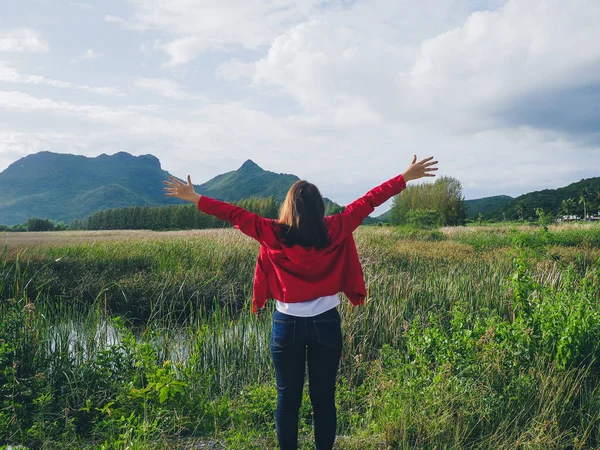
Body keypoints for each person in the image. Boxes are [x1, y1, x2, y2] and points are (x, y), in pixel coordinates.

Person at [163, 155, 438, 450]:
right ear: (319, 207)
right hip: (326, 324)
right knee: (323, 399)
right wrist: (404, 178)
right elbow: (369, 201)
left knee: (287, 399)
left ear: (288, 206)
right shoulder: (336, 227)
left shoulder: (272, 232)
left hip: (287, 325)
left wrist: (195, 198)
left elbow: (235, 214)